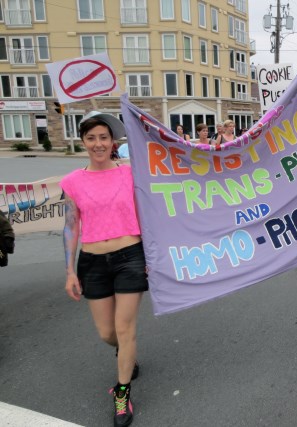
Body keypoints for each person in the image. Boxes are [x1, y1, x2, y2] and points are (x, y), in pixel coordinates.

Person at [60, 111, 148, 426]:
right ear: (83, 141)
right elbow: (71, 226)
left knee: (125, 329)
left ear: (113, 142)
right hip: (93, 262)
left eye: (103, 137)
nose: (98, 144)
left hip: (130, 256)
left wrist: (152, 257)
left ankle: (122, 393)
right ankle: (127, 353)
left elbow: (148, 215)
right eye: (91, 138)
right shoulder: (72, 182)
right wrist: (70, 270)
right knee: (107, 333)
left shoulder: (130, 174)